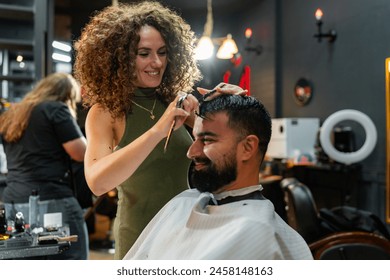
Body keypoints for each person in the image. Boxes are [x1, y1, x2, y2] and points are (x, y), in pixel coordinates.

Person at [73, 1, 245, 259]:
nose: (156, 62)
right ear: (120, 57)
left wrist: (234, 107)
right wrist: (157, 130)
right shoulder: (105, 111)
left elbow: (230, 150)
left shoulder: (175, 101)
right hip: (139, 237)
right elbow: (97, 183)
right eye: (144, 53)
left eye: (162, 52)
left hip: (186, 233)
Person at [124, 94, 313, 260]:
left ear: (247, 148)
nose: (191, 152)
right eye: (196, 138)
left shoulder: (257, 230)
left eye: (207, 140)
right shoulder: (183, 202)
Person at [0, 73, 88, 259]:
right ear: (66, 95)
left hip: (13, 202)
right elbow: (81, 153)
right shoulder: (56, 109)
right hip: (51, 200)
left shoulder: (13, 114)